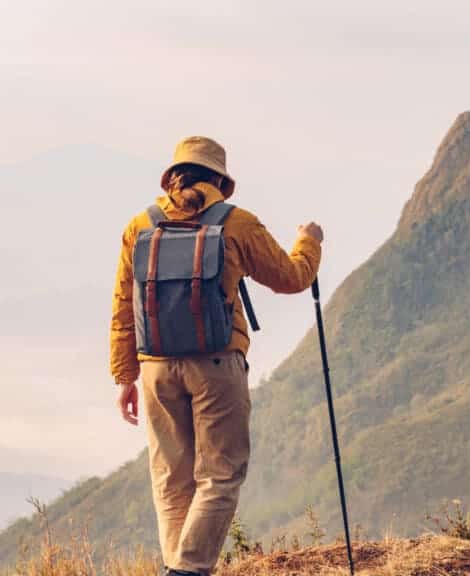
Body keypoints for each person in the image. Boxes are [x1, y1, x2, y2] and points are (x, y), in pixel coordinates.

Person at [110, 136, 323, 576]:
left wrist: (124, 376)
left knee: (172, 482)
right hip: (216, 365)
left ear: (173, 177)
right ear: (220, 181)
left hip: (156, 369)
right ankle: (186, 571)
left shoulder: (139, 225)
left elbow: (121, 305)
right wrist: (310, 242)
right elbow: (292, 277)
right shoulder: (237, 223)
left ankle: (180, 567)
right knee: (221, 474)